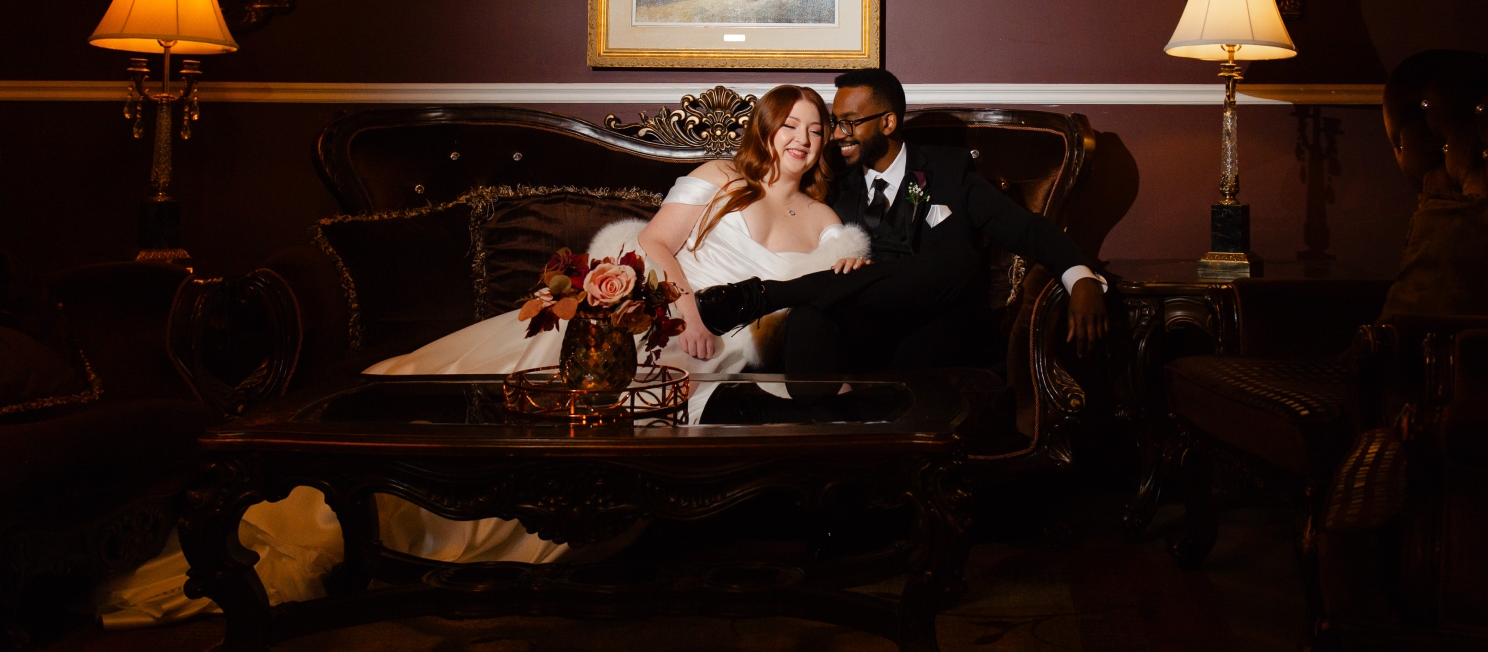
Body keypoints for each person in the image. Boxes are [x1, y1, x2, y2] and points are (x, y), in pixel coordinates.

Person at [97, 84, 871, 628]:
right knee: (498, 376)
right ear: (765, 130)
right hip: (665, 310)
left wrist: (837, 279)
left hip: (735, 349)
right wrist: (689, 313)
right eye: (788, 123)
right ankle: (369, 511)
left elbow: (819, 299)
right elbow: (657, 243)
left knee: (680, 395)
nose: (800, 138)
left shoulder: (827, 217)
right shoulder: (718, 178)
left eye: (813, 126)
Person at [689, 68, 1110, 379]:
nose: (837, 135)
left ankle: (765, 296)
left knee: (959, 259)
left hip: (937, 329)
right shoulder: (834, 189)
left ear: (887, 122)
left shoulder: (950, 174)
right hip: (863, 331)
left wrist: (1082, 278)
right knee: (806, 320)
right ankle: (812, 433)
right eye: (835, 124)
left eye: (850, 123)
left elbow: (1031, 231)